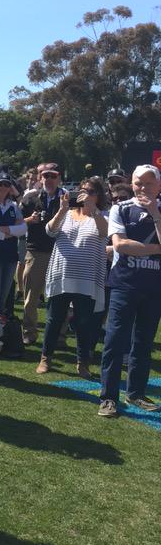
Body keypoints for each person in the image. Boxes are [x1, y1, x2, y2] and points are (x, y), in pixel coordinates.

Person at [97, 165, 161, 417]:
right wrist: (156, 249)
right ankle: (108, 397)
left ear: (158, 185)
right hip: (124, 283)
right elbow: (120, 245)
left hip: (154, 287)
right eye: (137, 183)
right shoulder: (120, 208)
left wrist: (155, 213)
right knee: (115, 341)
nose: (142, 187)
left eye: (148, 183)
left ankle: (135, 393)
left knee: (143, 342)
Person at [36, 181, 108, 378]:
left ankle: (82, 363)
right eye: (83, 191)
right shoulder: (66, 214)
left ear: (98, 196)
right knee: (54, 319)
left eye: (91, 192)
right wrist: (62, 209)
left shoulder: (102, 216)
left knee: (84, 323)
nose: (85, 194)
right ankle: (45, 358)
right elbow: (50, 231)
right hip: (62, 275)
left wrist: (93, 210)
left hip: (87, 278)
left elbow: (105, 233)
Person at [19, 163, 64, 344]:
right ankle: (29, 332)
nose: (49, 180)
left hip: (60, 252)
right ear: (40, 178)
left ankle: (59, 336)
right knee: (30, 297)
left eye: (53, 176)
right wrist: (30, 220)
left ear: (59, 178)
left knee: (60, 297)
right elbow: (17, 222)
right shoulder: (31, 199)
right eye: (45, 176)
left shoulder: (68, 199)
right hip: (36, 251)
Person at [0, 174, 26, 317]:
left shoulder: (13, 206)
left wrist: (5, 230)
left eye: (6, 185)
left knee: (3, 297)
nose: (3, 188)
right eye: (0, 184)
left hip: (10, 255)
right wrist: (9, 232)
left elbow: (23, 228)